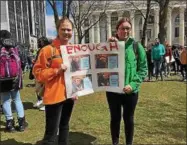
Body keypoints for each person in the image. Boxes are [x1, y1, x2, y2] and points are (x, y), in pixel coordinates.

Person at [33, 17, 77, 145]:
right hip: (53, 96)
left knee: (64, 126)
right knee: (51, 134)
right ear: (58, 30)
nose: (66, 32)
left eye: (69, 29)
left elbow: (77, 73)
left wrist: (77, 89)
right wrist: (56, 71)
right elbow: (38, 73)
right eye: (63, 29)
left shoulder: (74, 50)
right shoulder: (47, 50)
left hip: (70, 95)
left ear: (72, 31)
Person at [107, 17, 147, 145]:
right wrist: (107, 45)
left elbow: (143, 69)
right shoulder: (109, 45)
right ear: (117, 30)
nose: (125, 31)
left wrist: (133, 84)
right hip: (113, 90)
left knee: (129, 119)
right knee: (115, 118)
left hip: (131, 91)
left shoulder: (136, 46)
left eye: (128, 28)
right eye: (122, 28)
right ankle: (115, 142)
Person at [0, 30, 27, 132]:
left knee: (6, 100)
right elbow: (23, 60)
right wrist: (21, 71)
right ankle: (21, 124)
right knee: (17, 99)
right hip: (15, 77)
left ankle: (10, 124)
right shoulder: (16, 46)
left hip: (2, 79)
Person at [32, 36, 51, 111]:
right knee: (38, 89)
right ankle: (40, 100)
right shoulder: (40, 50)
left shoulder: (47, 49)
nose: (38, 43)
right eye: (38, 42)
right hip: (38, 72)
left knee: (44, 89)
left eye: (40, 42)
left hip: (44, 72)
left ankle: (45, 104)